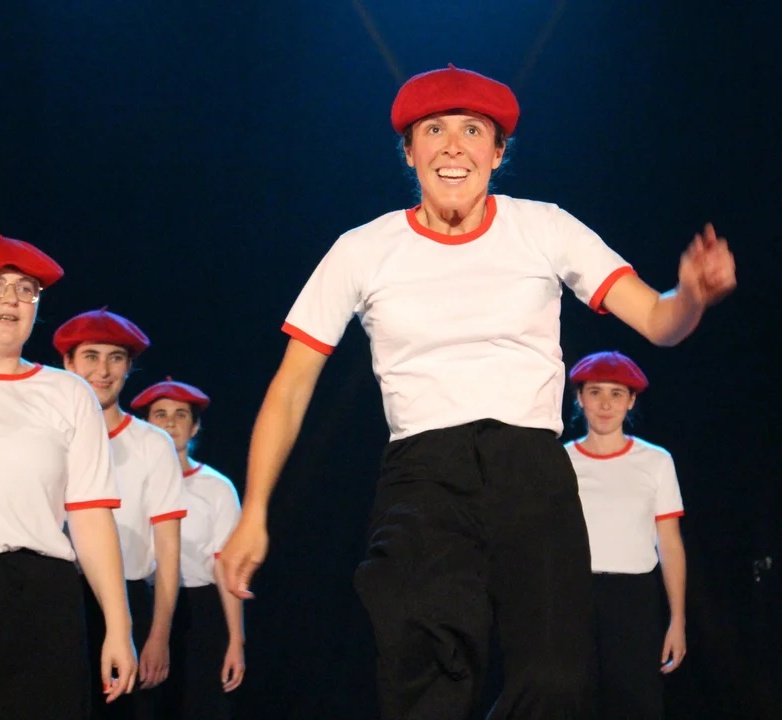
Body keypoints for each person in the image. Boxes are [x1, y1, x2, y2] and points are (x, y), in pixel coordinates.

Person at [220, 64, 737, 719]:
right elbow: (292, 386)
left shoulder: (544, 228)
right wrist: (254, 510)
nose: (453, 147)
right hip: (423, 477)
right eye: (434, 130)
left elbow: (660, 321)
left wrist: (691, 295)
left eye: (472, 131)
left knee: (556, 680)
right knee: (427, 673)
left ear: (498, 152)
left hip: (531, 475)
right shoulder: (363, 250)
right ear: (409, 152)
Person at [0, 232, 137, 719]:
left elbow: (91, 516)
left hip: (36, 599)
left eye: (26, 289)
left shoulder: (67, 393)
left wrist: (119, 626)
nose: (11, 299)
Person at [55, 308, 187, 720]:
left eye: (116, 358)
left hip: (130, 598)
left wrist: (159, 635)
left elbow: (168, 548)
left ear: (129, 367)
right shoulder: (49, 433)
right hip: (58, 596)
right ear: (68, 363)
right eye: (91, 356)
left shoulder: (152, 443)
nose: (103, 370)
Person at [564, 350, 686, 720]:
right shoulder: (561, 461)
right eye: (595, 392)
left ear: (631, 401)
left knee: (635, 704)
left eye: (616, 394)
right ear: (579, 398)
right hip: (573, 596)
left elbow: (669, 543)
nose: (605, 404)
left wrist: (678, 619)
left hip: (633, 600)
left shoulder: (656, 461)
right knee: (573, 702)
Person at [131, 378, 245, 719]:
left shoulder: (216, 487)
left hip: (197, 610)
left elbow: (225, 566)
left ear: (194, 427)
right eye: (160, 414)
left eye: (180, 415)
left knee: (196, 704)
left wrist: (236, 639)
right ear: (145, 425)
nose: (170, 422)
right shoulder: (129, 481)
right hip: (141, 602)